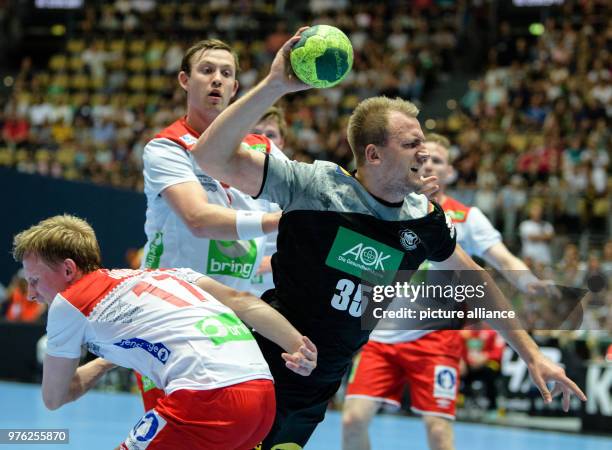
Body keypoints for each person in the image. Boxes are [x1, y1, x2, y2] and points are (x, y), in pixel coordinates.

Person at [189, 29, 587, 449]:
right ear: (374, 154)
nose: (423, 152)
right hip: (262, 367)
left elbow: (478, 282)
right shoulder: (315, 185)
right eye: (412, 143)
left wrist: (532, 354)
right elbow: (208, 157)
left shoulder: (424, 220)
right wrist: (275, 86)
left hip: (315, 389)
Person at [12, 214, 317, 450]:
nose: (31, 294)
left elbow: (55, 397)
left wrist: (105, 362)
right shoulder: (168, 275)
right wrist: (297, 345)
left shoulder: (69, 303)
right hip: (263, 397)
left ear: (68, 269)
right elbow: (243, 301)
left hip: (208, 398)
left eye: (35, 280)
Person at [342, 134, 558, 450]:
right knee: (352, 420)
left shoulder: (467, 217)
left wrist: (528, 281)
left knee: (439, 433)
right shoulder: (390, 206)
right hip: (381, 337)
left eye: (438, 160)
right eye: (424, 157)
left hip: (436, 339)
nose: (428, 163)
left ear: (451, 172)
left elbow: (501, 257)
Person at [139, 38, 287, 408]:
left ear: (236, 88)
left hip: (232, 315)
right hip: (169, 310)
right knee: (174, 434)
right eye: (207, 71)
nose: (217, 79)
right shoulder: (166, 147)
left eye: (226, 73)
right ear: (185, 80)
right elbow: (198, 219)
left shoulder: (263, 151)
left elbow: (304, 202)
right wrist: (275, 221)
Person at [250, 106, 288, 297]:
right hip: (232, 277)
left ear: (281, 142)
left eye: (270, 134)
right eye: (256, 133)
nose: (262, 139)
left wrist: (274, 260)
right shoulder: (226, 183)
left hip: (275, 284)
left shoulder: (295, 184)